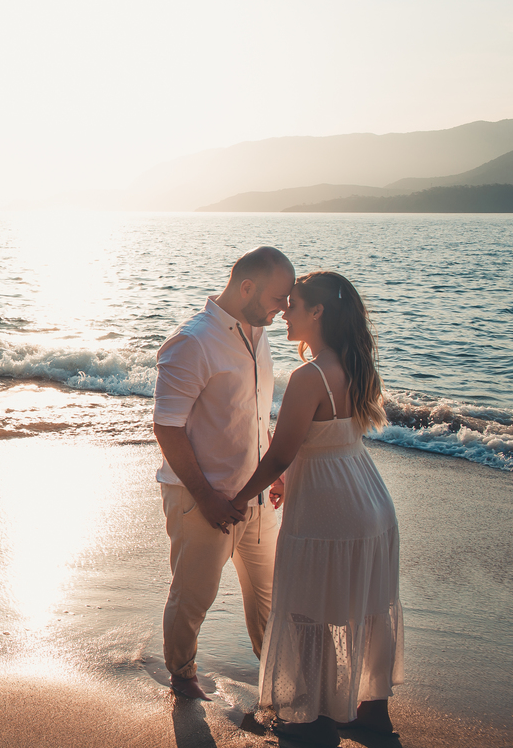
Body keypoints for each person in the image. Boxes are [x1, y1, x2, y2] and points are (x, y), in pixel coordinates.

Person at [229, 271, 402, 746]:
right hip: (370, 501)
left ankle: (310, 713)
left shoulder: (310, 377)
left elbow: (282, 452)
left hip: (329, 509)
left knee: (308, 610)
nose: (285, 311)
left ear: (318, 312)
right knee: (366, 609)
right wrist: (288, 477)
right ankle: (372, 713)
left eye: (295, 305)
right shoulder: (355, 363)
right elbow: (327, 440)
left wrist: (237, 496)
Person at [153, 246, 294, 700]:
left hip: (254, 499)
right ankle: (182, 674)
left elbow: (253, 415)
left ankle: (281, 682)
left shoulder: (259, 332)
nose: (285, 308)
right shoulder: (192, 342)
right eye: (279, 297)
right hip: (201, 499)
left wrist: (274, 469)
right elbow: (166, 426)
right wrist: (208, 496)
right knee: (193, 598)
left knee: (271, 598)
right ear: (246, 287)